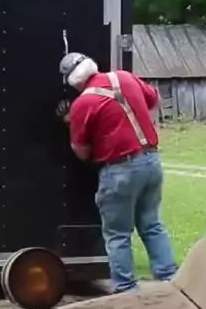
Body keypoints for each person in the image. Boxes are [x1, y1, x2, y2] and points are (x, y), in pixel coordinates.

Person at [59, 52, 177, 293]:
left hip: (120, 170)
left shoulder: (82, 104)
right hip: (151, 161)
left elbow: (81, 152)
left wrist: (72, 121)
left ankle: (126, 288)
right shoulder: (125, 77)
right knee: (152, 225)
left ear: (73, 82)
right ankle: (170, 280)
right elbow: (154, 100)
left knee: (118, 234)